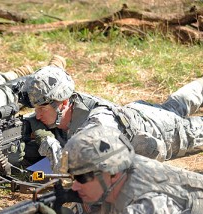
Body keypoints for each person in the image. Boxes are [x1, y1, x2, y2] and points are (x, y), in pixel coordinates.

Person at [26, 125, 203, 214]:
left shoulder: (143, 209)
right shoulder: (122, 175)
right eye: (72, 177)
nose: (75, 185)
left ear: (112, 173)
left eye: (82, 177)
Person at [21, 65, 203, 171]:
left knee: (181, 115)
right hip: (142, 111)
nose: (37, 115)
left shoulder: (98, 123)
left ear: (62, 102)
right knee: (176, 104)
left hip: (168, 132)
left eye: (42, 108)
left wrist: (46, 141)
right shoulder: (68, 105)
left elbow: (70, 166)